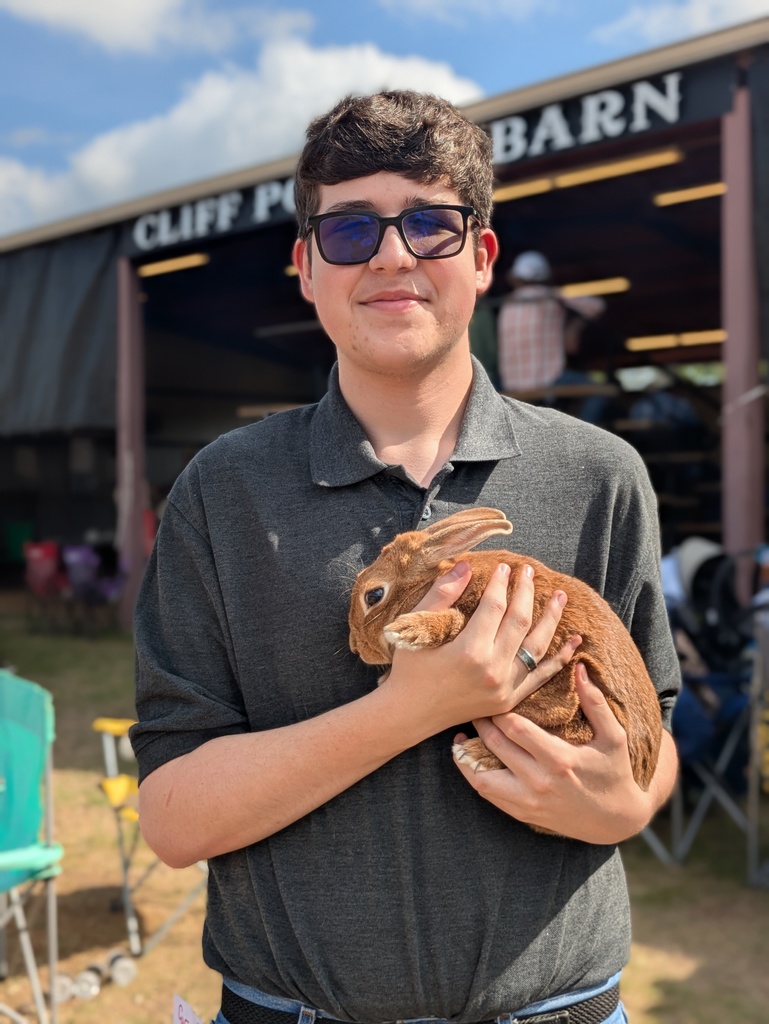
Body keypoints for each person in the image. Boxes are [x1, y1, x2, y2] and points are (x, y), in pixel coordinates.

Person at [131, 90, 680, 1024]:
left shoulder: (598, 473)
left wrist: (622, 804)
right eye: (350, 231)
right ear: (306, 267)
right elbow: (175, 819)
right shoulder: (224, 491)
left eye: (429, 224)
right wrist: (414, 707)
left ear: (481, 255)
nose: (391, 254)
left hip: (563, 1009)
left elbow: (651, 740)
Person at [496, 251, 606, 418]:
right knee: (600, 391)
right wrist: (574, 327)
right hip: (549, 379)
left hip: (511, 384)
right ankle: (582, 439)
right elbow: (597, 305)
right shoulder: (551, 297)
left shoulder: (507, 305)